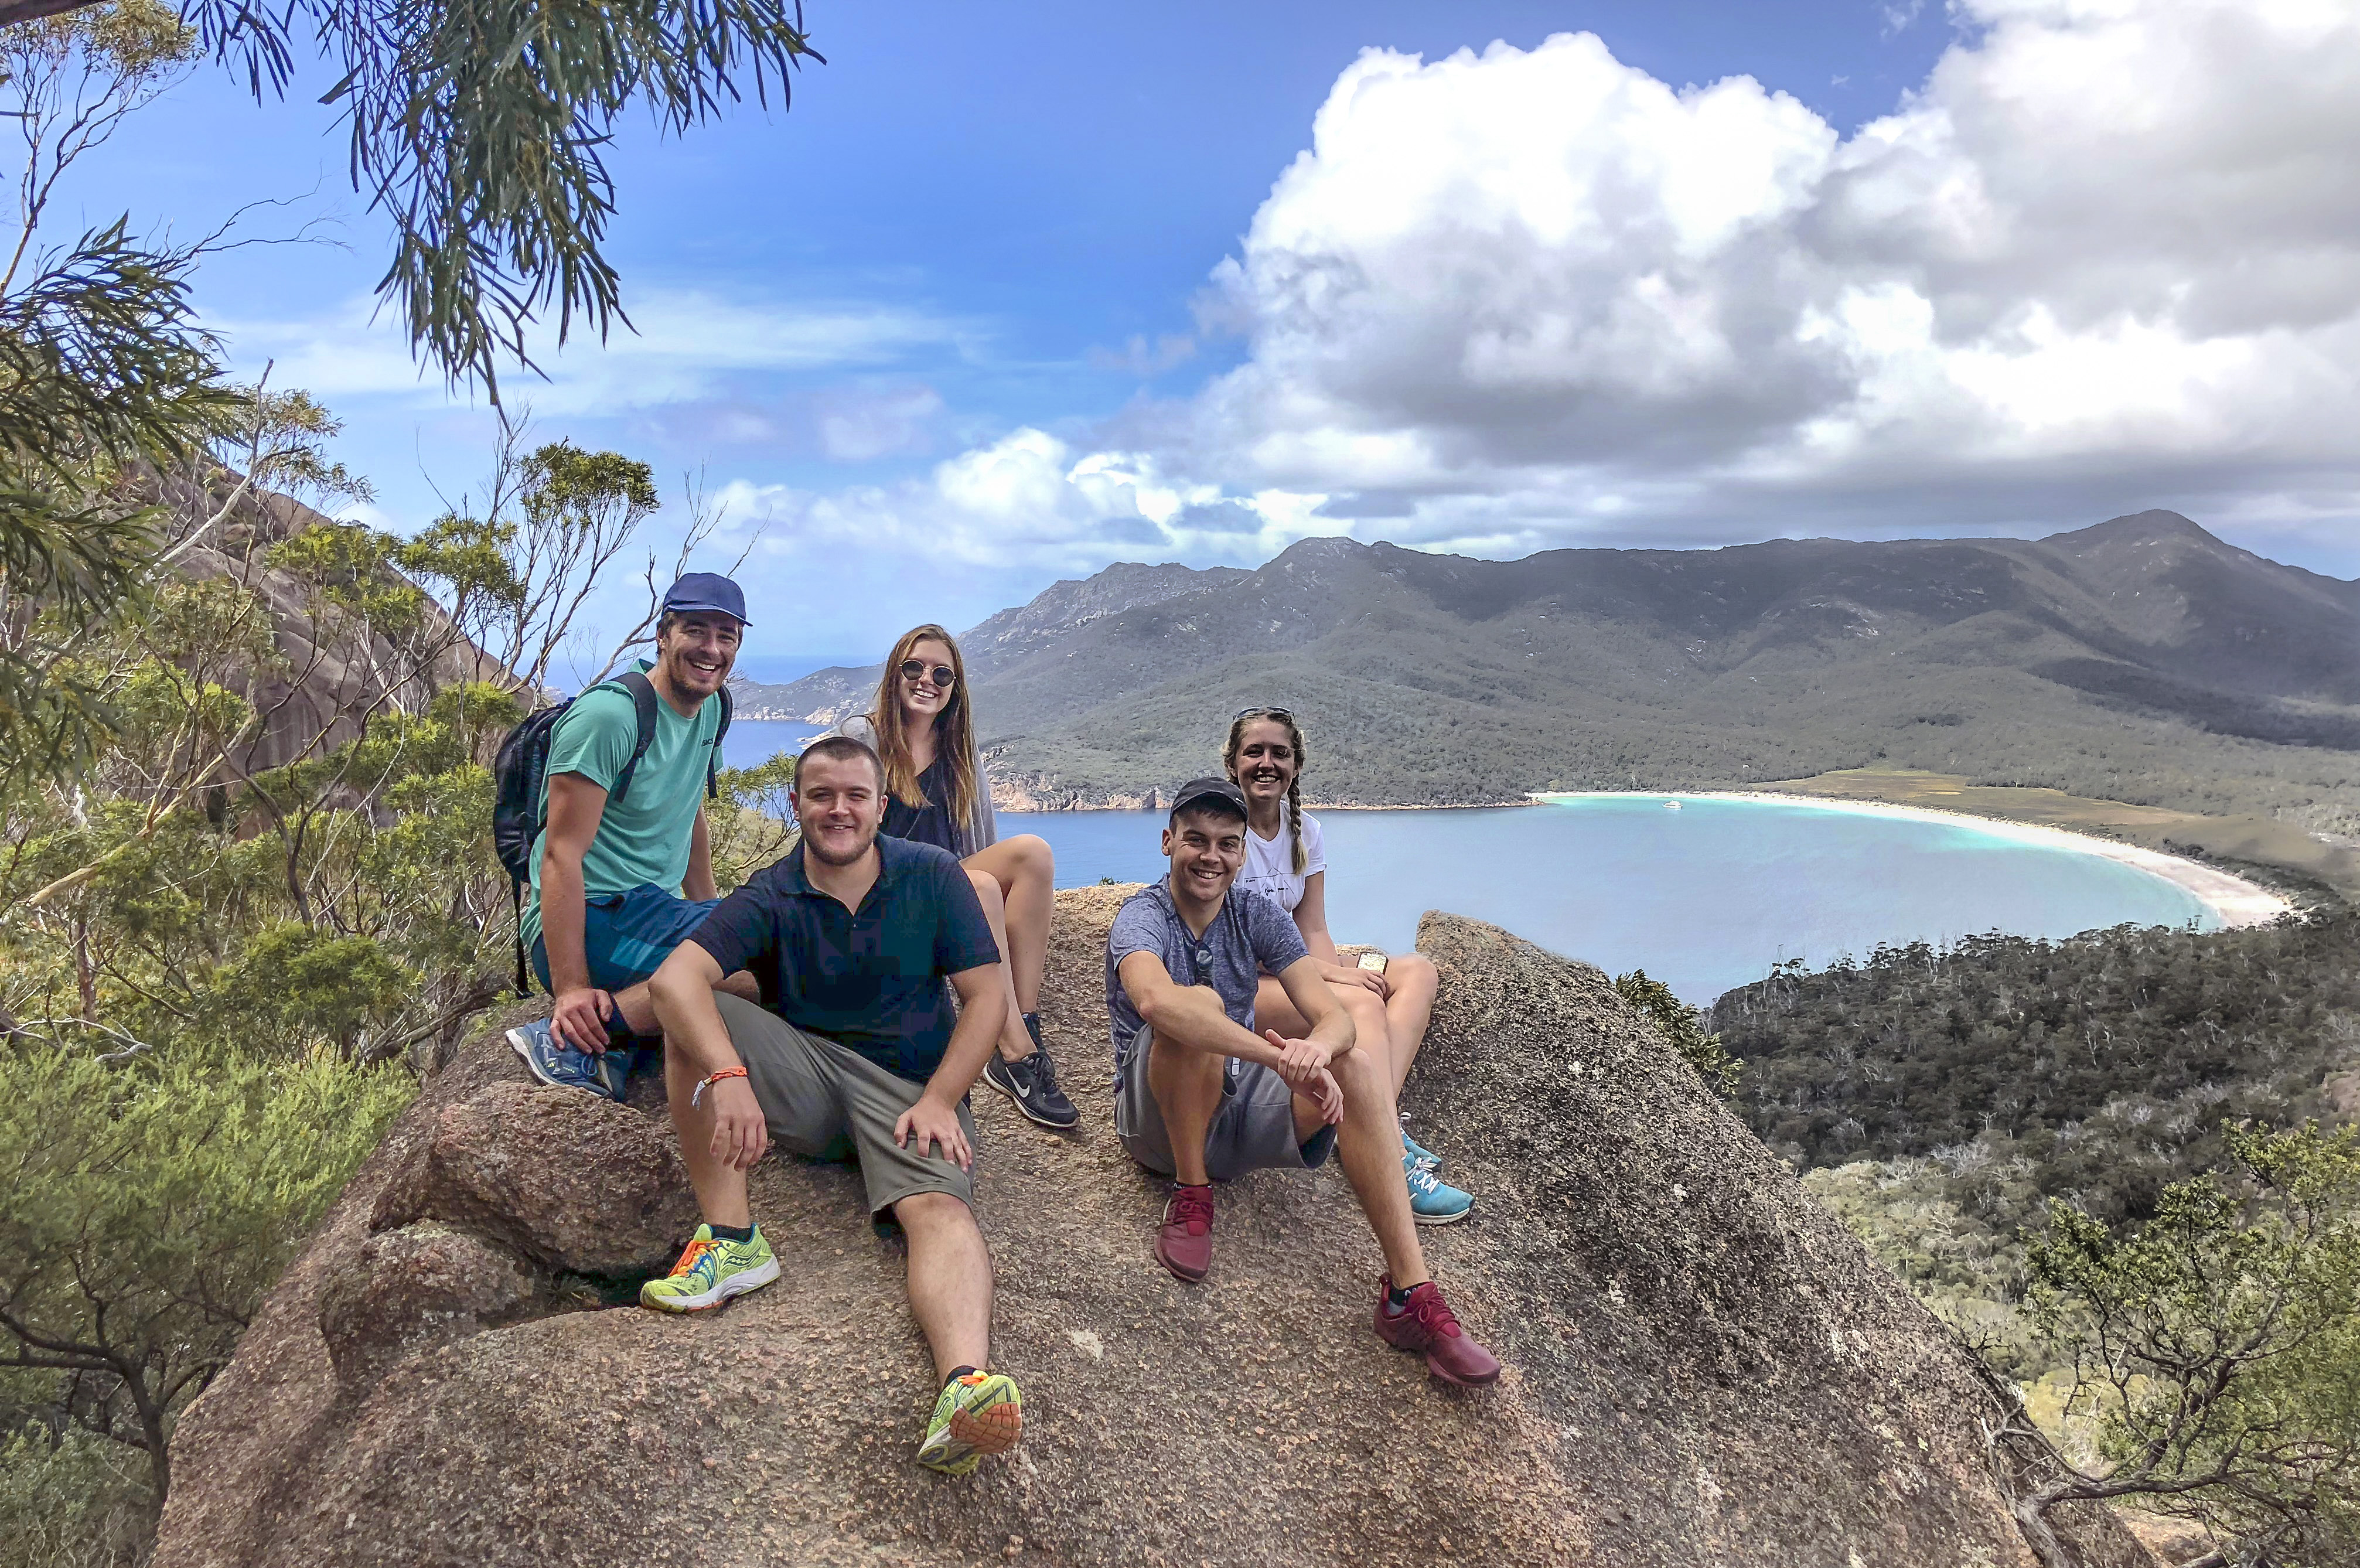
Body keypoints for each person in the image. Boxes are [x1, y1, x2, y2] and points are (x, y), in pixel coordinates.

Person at [641, 734, 1025, 1475]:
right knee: (687, 1021)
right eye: (822, 796)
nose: (839, 810)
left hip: (911, 1093)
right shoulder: (772, 892)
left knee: (939, 1213)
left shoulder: (933, 876)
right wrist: (728, 1075)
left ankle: (964, 1389)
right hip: (809, 1075)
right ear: (796, 804)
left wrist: (944, 1098)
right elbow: (673, 982)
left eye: (856, 795)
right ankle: (731, 1240)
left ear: (882, 805)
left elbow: (985, 999)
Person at [1104, 778, 1502, 1387]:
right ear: (1167, 842)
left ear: (1241, 854)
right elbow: (1157, 1005)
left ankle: (1410, 1296)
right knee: (1197, 1007)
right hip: (1158, 1120)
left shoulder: (1256, 914)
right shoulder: (1142, 916)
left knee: (1356, 1064)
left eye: (1226, 845)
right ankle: (1191, 1194)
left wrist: (1317, 1051)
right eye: (1195, 840)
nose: (1210, 856)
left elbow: (1334, 1014)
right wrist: (1274, 1060)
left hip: (1234, 1110)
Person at [506, 573, 760, 1100]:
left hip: (653, 909)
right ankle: (573, 1040)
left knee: (778, 933)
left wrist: (712, 913)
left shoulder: (715, 705)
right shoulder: (610, 717)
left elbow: (690, 810)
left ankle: (628, 1016)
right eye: (696, 631)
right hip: (594, 916)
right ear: (663, 635)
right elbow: (559, 856)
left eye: (726, 636)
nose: (712, 649)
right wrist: (573, 988)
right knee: (762, 970)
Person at [1223, 706, 1471, 1223]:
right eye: (1254, 752)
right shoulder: (1223, 833)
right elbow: (1235, 943)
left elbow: (1311, 926)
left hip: (1298, 967)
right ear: (1233, 763)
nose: (1266, 763)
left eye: (1279, 753)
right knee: (1359, 1000)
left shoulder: (1304, 831)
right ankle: (1390, 1156)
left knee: (1416, 974)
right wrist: (1334, 976)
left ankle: (1366, 1116)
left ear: (1296, 765)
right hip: (1247, 981)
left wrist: (1328, 967)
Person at [837, 623, 1075, 1130]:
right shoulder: (865, 737)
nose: (927, 680)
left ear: (955, 687)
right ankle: (1010, 1052)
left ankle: (1023, 1020)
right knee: (981, 885)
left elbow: (982, 846)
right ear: (895, 672)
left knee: (1034, 853)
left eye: (942, 673)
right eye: (915, 668)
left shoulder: (960, 752)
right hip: (879, 894)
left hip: (942, 894)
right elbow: (839, 831)